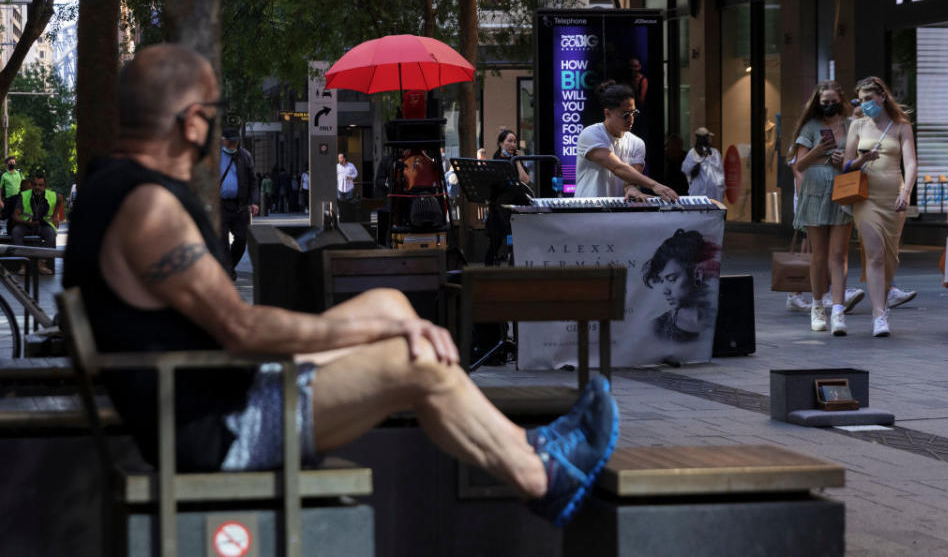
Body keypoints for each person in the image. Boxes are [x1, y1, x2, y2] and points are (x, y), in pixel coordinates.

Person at [62, 43, 618, 528]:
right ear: (190, 122)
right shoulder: (150, 208)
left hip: (219, 398)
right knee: (415, 359)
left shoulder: (116, 188)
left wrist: (381, 319)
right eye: (213, 112)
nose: (215, 126)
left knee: (391, 301)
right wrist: (367, 331)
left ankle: (530, 446)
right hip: (219, 431)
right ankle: (539, 472)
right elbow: (240, 327)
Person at [843, 76, 917, 336]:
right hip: (866, 200)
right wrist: (863, 160)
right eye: (861, 100)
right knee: (874, 255)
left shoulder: (901, 126)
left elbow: (910, 163)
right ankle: (879, 316)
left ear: (882, 96)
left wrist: (906, 193)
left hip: (894, 199)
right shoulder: (857, 126)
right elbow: (846, 165)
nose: (865, 105)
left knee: (890, 258)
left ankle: (882, 304)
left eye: (869, 99)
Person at [789, 80, 855, 335]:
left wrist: (844, 163)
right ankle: (817, 307)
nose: (829, 105)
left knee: (838, 255)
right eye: (824, 102)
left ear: (841, 99)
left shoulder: (850, 126)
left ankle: (838, 310)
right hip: (816, 192)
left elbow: (857, 162)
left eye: (833, 101)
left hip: (842, 191)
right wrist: (819, 149)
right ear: (817, 103)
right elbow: (800, 164)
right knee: (819, 255)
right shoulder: (811, 127)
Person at [575, 81, 679, 201]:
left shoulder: (637, 143)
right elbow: (617, 167)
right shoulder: (590, 134)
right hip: (587, 209)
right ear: (607, 113)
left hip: (620, 210)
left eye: (633, 113)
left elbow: (632, 179)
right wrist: (654, 185)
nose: (631, 119)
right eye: (625, 115)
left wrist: (631, 188)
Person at [642, 229, 720, 343]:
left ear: (697, 275)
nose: (665, 290)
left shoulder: (716, 320)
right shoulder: (657, 328)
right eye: (662, 280)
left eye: (672, 279)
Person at [220, 126, 259, 281]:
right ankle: (228, 271)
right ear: (223, 141)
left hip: (240, 205)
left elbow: (253, 182)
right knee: (222, 240)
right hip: (219, 205)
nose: (233, 145)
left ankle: (229, 267)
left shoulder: (245, 156)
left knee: (242, 239)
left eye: (236, 142)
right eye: (230, 142)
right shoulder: (213, 156)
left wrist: (254, 202)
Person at [11, 171, 63, 275]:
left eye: (40, 185)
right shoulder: (24, 195)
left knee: (51, 234)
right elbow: (15, 216)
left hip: (43, 224)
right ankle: (23, 265)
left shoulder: (52, 195)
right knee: (16, 232)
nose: (37, 187)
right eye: (35, 185)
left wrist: (54, 216)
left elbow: (60, 198)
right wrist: (28, 223)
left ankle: (41, 264)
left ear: (45, 186)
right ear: (31, 185)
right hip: (27, 224)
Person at [681, 127, 724, 201]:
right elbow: (720, 172)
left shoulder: (692, 153)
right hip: (714, 191)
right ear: (707, 139)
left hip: (697, 190)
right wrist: (722, 189)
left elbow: (685, 169)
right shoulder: (715, 153)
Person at [0, 156, 22, 234]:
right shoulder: (4, 175)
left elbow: (25, 186)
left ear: (15, 163)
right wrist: (0, 201)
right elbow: (0, 188)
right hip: (9, 200)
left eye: (13, 162)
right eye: (10, 162)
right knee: (9, 217)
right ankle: (10, 232)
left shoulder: (19, 173)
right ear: (7, 164)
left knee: (17, 216)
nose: (12, 164)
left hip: (19, 199)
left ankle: (18, 231)